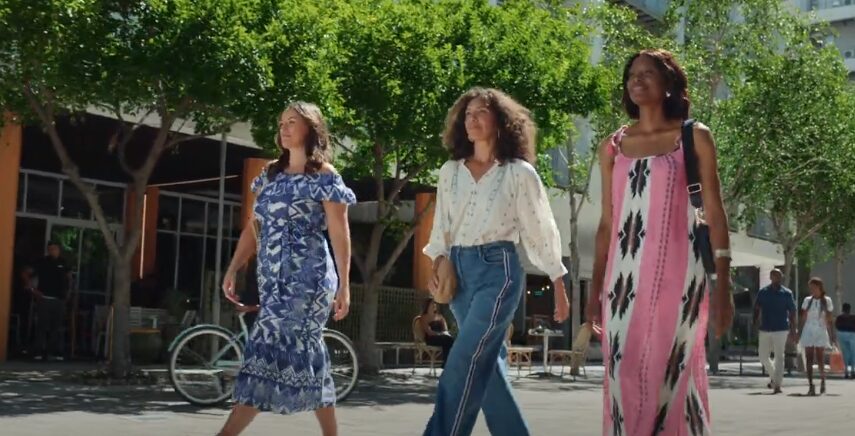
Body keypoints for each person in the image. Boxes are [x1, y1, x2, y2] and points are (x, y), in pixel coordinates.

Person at [585, 49, 734, 435]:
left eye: (648, 73)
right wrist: (594, 291)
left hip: (679, 277)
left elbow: (715, 214)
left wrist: (723, 287)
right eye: (632, 74)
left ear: (669, 84)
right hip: (622, 283)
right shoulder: (612, 146)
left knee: (670, 374)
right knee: (622, 372)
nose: (637, 80)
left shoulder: (693, 136)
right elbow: (607, 223)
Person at [422, 87, 570, 436]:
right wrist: (438, 264)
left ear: (500, 122)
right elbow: (441, 224)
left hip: (497, 271)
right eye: (467, 114)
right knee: (487, 366)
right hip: (458, 272)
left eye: (480, 113)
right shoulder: (450, 171)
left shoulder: (518, 173)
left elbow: (541, 229)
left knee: (464, 358)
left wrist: (557, 283)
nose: (471, 120)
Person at [217, 102, 356, 436]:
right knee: (304, 351)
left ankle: (227, 433)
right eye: (281, 123)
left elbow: (339, 232)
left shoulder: (325, 176)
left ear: (311, 129)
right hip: (271, 279)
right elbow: (254, 228)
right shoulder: (269, 174)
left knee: (268, 349)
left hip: (307, 280)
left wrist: (345, 285)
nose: (284, 128)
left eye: (292, 122)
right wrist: (234, 267)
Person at [753, 268, 797, 393]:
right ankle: (774, 377)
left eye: (779, 276)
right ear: (771, 277)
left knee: (779, 357)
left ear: (781, 277)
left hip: (781, 328)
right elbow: (757, 307)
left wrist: (794, 330)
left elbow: (792, 312)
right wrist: (754, 321)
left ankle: (777, 384)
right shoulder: (763, 292)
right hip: (765, 328)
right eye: (774, 276)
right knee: (763, 357)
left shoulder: (787, 293)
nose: (777, 278)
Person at [31, 241, 72, 361]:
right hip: (45, 298)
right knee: (42, 326)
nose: (52, 251)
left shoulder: (63, 262)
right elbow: (28, 274)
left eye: (54, 249)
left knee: (56, 327)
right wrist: (34, 290)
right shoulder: (42, 262)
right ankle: (38, 352)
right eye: (50, 249)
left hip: (59, 299)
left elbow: (69, 278)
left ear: (59, 250)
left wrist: (69, 292)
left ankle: (53, 352)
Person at [799, 277, 836, 396]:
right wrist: (799, 333)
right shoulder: (807, 300)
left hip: (820, 329)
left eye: (814, 287)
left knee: (820, 358)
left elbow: (830, 319)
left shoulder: (827, 300)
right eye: (811, 288)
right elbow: (803, 317)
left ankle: (823, 380)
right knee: (809, 358)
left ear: (820, 287)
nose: (812, 290)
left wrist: (832, 334)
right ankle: (810, 384)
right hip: (809, 330)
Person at [419, 298, 455, 368]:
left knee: (450, 340)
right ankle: (447, 363)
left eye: (435, 304)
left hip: (442, 337)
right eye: (432, 304)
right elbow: (429, 332)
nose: (434, 305)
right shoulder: (424, 317)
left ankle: (447, 363)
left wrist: (444, 333)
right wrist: (440, 334)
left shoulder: (439, 316)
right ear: (427, 305)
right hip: (431, 338)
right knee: (449, 340)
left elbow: (445, 329)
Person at [836, 303, 855, 379]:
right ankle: (853, 371)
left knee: (845, 353)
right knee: (853, 353)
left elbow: (837, 326)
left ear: (843, 309)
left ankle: (846, 371)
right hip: (852, 334)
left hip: (842, 334)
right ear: (849, 309)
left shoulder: (839, 317)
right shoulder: (853, 317)